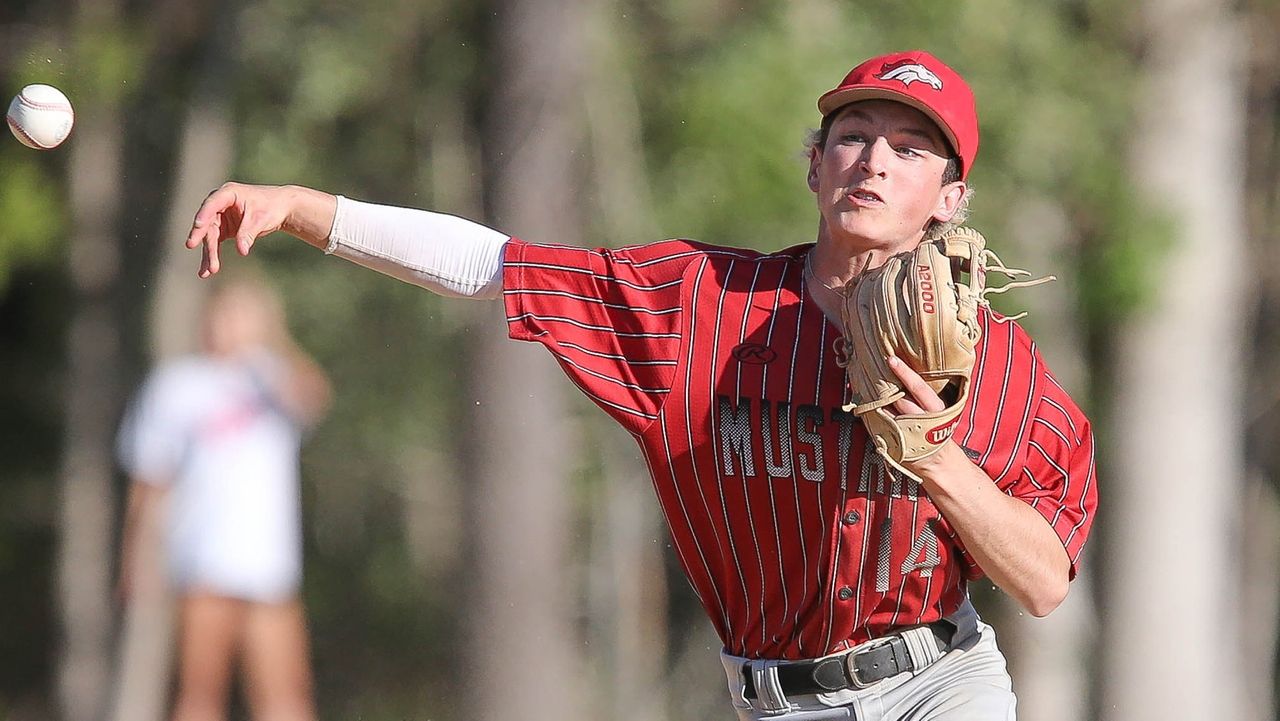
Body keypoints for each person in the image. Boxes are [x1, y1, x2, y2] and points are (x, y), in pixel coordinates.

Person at [184, 50, 1097, 720]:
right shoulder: (696, 306)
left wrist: (937, 459)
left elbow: (1045, 579)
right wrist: (300, 208)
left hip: (941, 686)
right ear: (816, 167)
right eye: (853, 136)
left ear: (949, 198)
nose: (876, 160)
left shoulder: (993, 360)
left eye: (910, 149)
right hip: (778, 700)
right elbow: (493, 264)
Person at [117, 277, 331, 721]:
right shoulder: (178, 384)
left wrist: (273, 341)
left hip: (269, 565)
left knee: (285, 696)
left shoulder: (273, 377)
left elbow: (315, 397)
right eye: (223, 314)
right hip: (202, 562)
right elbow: (149, 479)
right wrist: (136, 557)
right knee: (199, 694)